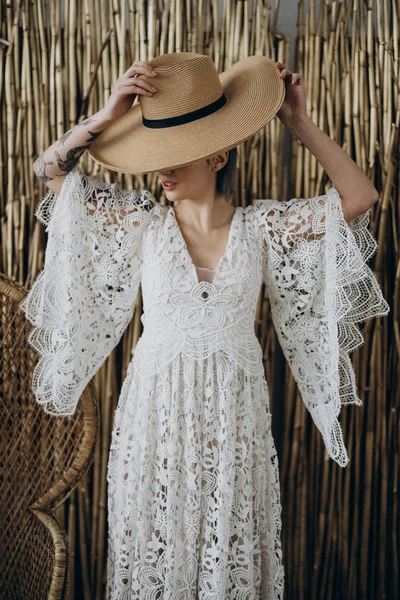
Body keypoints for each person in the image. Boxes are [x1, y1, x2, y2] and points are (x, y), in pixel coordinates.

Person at [20, 53, 390, 599]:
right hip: (155, 420)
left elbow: (360, 197)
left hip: (234, 424)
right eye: (160, 155)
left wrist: (299, 123)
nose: (165, 168)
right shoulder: (139, 222)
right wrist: (107, 114)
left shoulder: (264, 227)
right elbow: (48, 171)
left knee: (228, 561)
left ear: (218, 155)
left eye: (181, 155)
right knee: (155, 556)